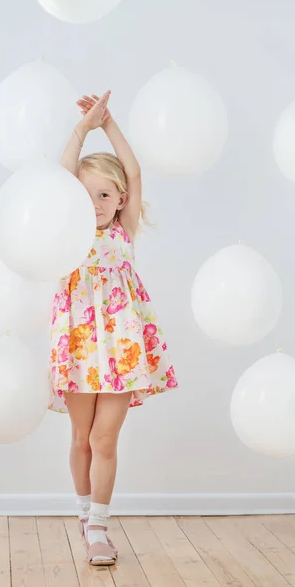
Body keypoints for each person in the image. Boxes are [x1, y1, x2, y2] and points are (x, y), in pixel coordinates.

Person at [48, 90, 178, 565]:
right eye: (87, 195)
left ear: (121, 198)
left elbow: (136, 170)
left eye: (105, 194)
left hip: (122, 347)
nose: (96, 203)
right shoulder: (67, 233)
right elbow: (61, 179)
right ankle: (84, 514)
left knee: (106, 439)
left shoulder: (123, 232)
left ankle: (99, 526)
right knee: (81, 439)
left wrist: (110, 125)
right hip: (81, 348)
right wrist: (82, 129)